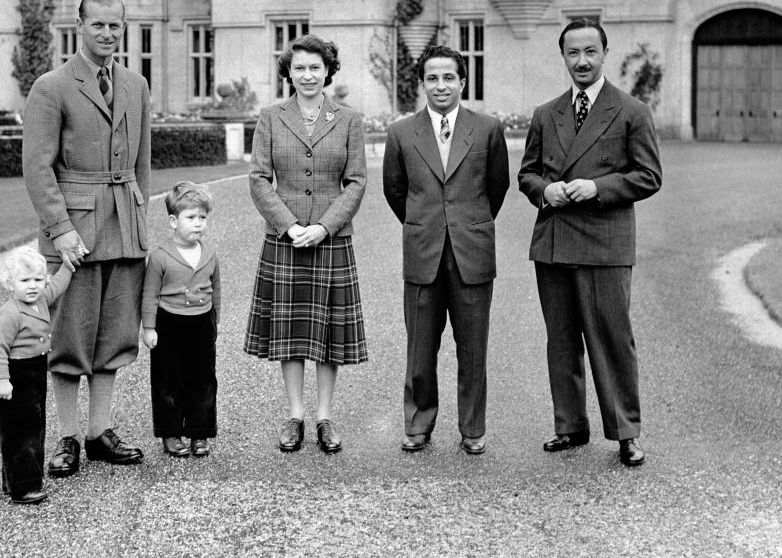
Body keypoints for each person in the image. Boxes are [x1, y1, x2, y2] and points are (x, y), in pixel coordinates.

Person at [518, 19, 662, 467]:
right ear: (563, 57)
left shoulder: (631, 111)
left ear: (604, 54)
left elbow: (649, 176)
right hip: (555, 241)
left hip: (605, 242)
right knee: (561, 340)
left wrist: (598, 188)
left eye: (589, 52)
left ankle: (625, 432)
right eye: (572, 53)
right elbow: (527, 174)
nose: (581, 61)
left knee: (612, 338)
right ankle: (570, 425)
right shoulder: (547, 113)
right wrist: (546, 191)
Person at [22, 0, 151, 477]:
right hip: (74, 232)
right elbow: (38, 168)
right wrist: (60, 231)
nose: (107, 33)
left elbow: (142, 166)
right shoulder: (51, 86)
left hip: (124, 226)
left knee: (114, 337)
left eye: (115, 25)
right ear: (79, 25)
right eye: (97, 25)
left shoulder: (136, 85)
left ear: (124, 27)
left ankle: (98, 434)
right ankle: (68, 437)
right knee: (68, 337)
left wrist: (141, 223)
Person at [383, 45, 509, 455]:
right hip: (423, 252)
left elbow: (497, 187)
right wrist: (425, 224)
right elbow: (395, 190)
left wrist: (466, 224)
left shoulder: (488, 129)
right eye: (432, 78)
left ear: (463, 82)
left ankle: (473, 428)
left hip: (471, 253)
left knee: (473, 348)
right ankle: (418, 423)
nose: (441, 85)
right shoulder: (402, 132)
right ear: (423, 83)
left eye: (448, 77)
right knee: (420, 347)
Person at [244, 34, 368, 454]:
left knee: (330, 334)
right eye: (299, 68)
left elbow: (356, 182)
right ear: (288, 72)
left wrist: (325, 227)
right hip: (286, 240)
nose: (308, 75)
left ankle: (324, 417)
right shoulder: (272, 117)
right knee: (291, 332)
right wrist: (289, 225)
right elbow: (259, 178)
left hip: (330, 241)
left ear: (328, 71)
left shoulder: (349, 119)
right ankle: (295, 415)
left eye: (315, 67)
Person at [141, 182, 221, 458]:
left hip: (201, 323)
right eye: (191, 217)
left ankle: (200, 433)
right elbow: (149, 294)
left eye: (202, 217)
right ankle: (171, 432)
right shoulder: (161, 256)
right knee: (167, 379)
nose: (198, 224)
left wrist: (215, 322)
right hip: (169, 323)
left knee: (203, 379)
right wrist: (149, 327)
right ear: (173, 221)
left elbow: (215, 287)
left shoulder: (209, 252)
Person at [0, 247, 74, 505]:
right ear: (10, 284)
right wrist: (3, 379)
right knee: (18, 432)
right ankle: (23, 487)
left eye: (38, 279)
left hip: (34, 370)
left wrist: (68, 267)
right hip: (13, 376)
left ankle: (17, 480)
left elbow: (58, 286)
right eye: (24, 281)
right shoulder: (10, 313)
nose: (33, 286)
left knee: (34, 425)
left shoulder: (40, 301)